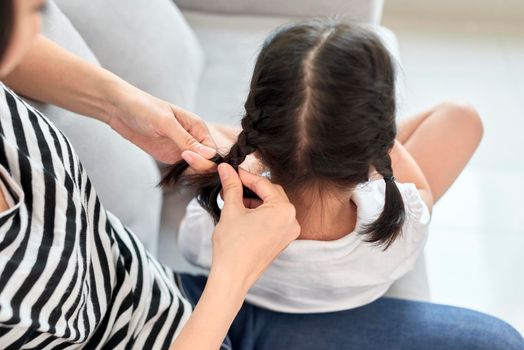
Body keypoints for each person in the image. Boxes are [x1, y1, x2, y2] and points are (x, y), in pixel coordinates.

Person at [0, 1, 523, 349]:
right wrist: (233, 271)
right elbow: (422, 181)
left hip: (177, 300)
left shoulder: (219, 213)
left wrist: (125, 105)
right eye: (37, 8)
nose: (45, 10)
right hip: (202, 317)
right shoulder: (398, 219)